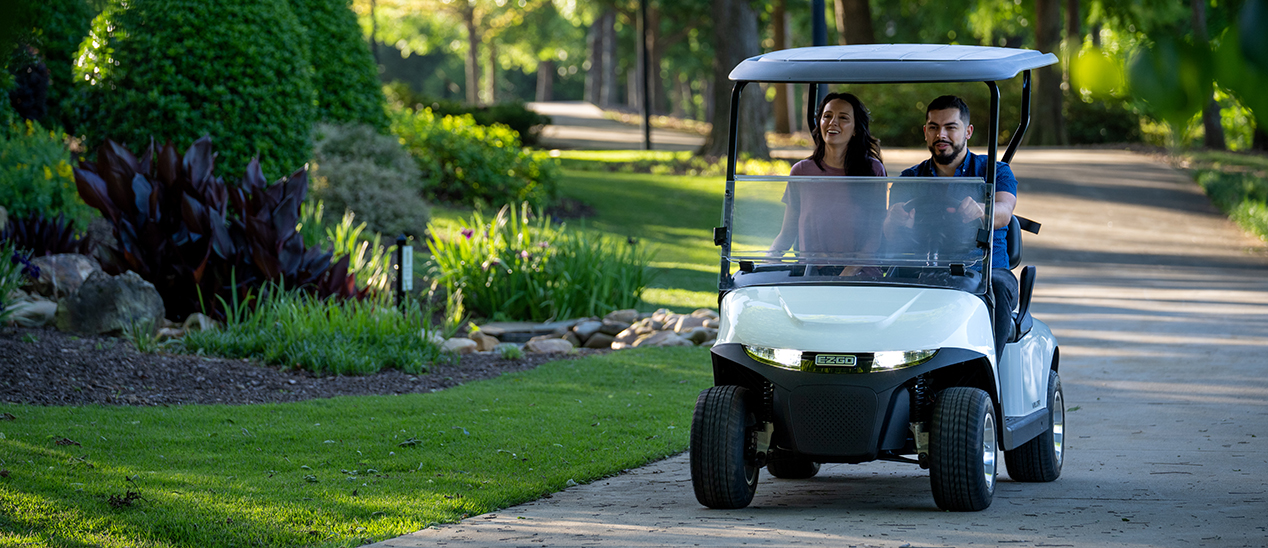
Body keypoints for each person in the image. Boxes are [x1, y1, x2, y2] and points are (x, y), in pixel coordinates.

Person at [888, 95, 1019, 356]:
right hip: (923, 266)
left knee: (998, 286)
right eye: (934, 127)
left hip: (982, 269)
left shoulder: (995, 172)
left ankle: (989, 373)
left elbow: (1004, 213)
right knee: (885, 287)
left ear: (968, 131)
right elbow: (889, 235)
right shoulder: (909, 179)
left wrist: (982, 210)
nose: (941, 135)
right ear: (926, 132)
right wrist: (896, 220)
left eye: (951, 127)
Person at [767, 92, 887, 275]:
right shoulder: (800, 172)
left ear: (855, 129)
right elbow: (787, 232)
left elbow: (875, 233)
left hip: (860, 274)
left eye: (843, 118)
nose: (833, 123)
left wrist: (849, 271)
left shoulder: (873, 170)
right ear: (819, 123)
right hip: (811, 274)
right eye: (827, 116)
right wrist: (771, 258)